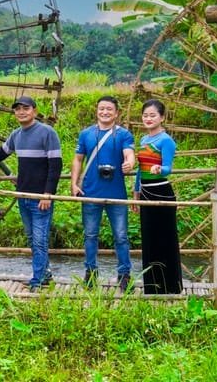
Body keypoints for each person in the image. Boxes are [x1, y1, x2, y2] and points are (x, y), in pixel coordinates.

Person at [0, 96, 62, 292]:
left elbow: (56, 166)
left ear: (34, 111)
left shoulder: (47, 133)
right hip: (23, 196)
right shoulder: (16, 135)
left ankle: (37, 280)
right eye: (17, 109)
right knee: (32, 238)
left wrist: (48, 194)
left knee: (39, 239)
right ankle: (45, 274)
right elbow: (0, 154)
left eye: (25, 108)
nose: (21, 112)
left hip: (40, 198)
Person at [70, 96, 136, 292]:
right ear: (97, 111)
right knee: (90, 235)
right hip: (90, 192)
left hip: (117, 195)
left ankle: (124, 275)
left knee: (121, 236)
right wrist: (74, 184)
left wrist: (129, 163)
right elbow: (77, 160)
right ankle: (90, 274)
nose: (105, 112)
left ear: (116, 113)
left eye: (109, 109)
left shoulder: (124, 134)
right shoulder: (86, 134)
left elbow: (129, 153)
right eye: (101, 109)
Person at [133, 99, 182, 294]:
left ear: (162, 117)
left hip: (162, 191)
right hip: (145, 192)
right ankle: (152, 287)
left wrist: (159, 168)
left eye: (153, 115)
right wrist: (136, 193)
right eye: (145, 115)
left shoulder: (166, 140)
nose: (148, 118)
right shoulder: (144, 140)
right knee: (149, 238)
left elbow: (168, 168)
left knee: (165, 237)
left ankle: (170, 286)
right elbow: (139, 170)